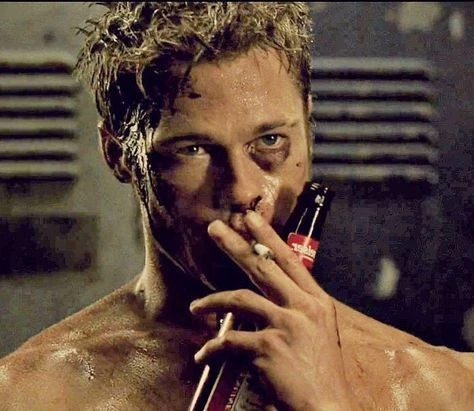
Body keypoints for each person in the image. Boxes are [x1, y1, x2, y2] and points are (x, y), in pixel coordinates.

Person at [0, 2, 472, 409]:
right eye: (193, 149)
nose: (243, 191)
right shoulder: (28, 395)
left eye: (270, 141)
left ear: (307, 124)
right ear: (119, 155)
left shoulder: (447, 387)